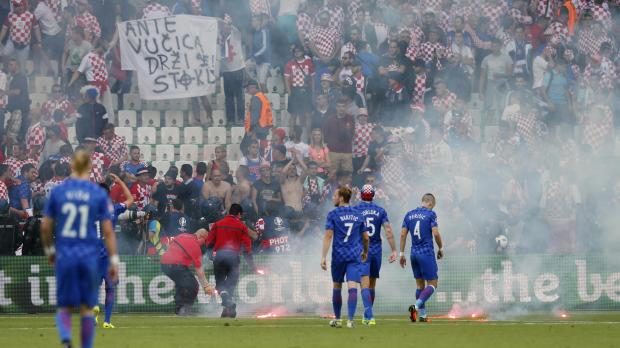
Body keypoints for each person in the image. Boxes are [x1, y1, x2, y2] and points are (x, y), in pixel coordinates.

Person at [40, 150, 119, 348]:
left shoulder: (59, 191)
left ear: (71, 167)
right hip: (89, 255)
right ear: (90, 168)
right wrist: (114, 261)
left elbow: (45, 227)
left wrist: (50, 252)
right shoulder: (98, 194)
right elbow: (108, 233)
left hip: (66, 253)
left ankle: (66, 339)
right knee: (86, 308)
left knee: (65, 306)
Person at [321, 187, 370, 328]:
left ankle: (337, 319)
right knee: (352, 286)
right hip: (354, 255)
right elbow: (366, 238)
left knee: (337, 285)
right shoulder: (358, 214)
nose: (333, 197)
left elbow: (328, 236)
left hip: (338, 256)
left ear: (341, 198)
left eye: (335, 195)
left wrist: (323, 257)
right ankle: (350, 320)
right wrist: (365, 252)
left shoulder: (333, 214)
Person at [93, 173, 133, 329]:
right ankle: (107, 321)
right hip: (108, 256)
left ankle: (93, 310)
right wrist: (121, 182)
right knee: (110, 288)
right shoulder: (113, 209)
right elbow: (130, 200)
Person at [205, 204, 259, 318]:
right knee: (230, 285)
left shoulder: (218, 224)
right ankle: (228, 305)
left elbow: (209, 242)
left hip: (219, 257)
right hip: (233, 258)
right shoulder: (241, 226)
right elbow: (247, 248)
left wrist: (211, 256)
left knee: (220, 284)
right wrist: (252, 266)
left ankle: (226, 307)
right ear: (239, 214)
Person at [399, 193, 444, 323]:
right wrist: (440, 248)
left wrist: (401, 254)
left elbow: (403, 235)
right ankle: (416, 306)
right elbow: (435, 233)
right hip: (426, 253)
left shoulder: (409, 214)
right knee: (433, 283)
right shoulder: (430, 214)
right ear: (430, 203)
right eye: (432, 206)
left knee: (420, 285)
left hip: (413, 254)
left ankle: (423, 316)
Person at [355, 185, 397, 311]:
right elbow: (388, 231)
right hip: (376, 250)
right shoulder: (381, 211)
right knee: (372, 284)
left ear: (361, 195)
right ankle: (369, 313)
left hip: (362, 249)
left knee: (364, 284)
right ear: (373, 195)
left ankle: (368, 314)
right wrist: (394, 250)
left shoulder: (356, 210)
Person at [160, 228, 214, 315]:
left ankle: (180, 308)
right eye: (204, 242)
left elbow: (170, 246)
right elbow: (199, 270)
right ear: (201, 237)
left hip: (164, 265)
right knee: (193, 286)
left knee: (181, 284)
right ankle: (184, 308)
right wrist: (206, 286)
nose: (203, 244)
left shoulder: (182, 235)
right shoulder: (195, 246)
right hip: (176, 265)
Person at [244, 80, 273, 146]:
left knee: (245, 146)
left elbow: (255, 116)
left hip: (257, 129)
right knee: (260, 148)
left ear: (253, 87)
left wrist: (252, 132)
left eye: (248, 88)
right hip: (263, 128)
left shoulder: (256, 98)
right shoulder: (262, 96)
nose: (247, 90)